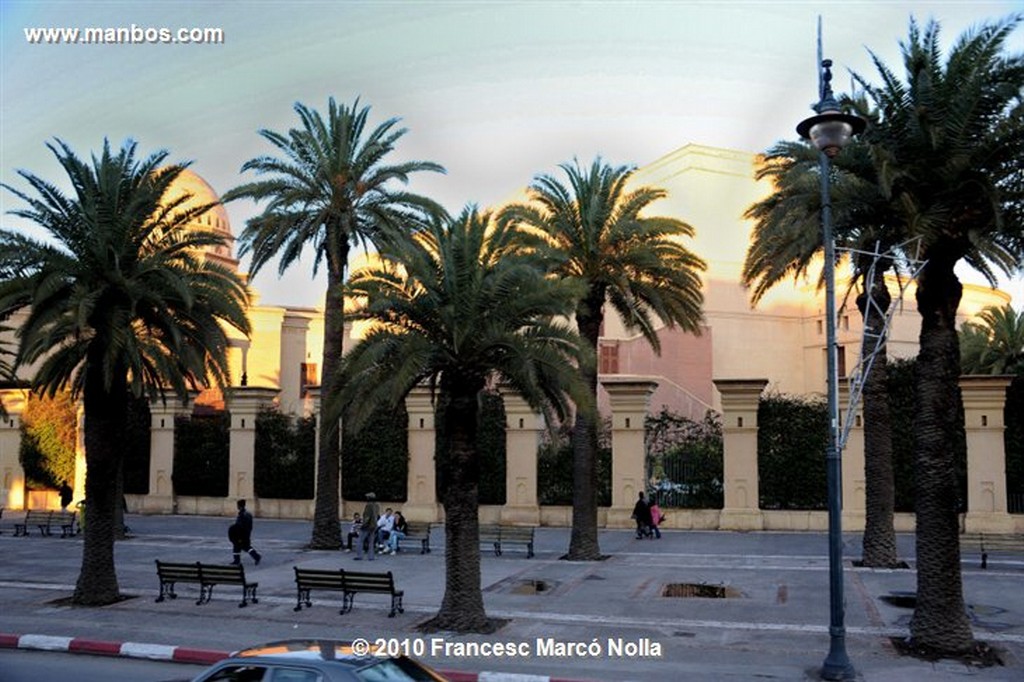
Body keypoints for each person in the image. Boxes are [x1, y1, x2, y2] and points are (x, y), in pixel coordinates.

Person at [228, 499, 262, 565]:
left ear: (239, 506)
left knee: (244, 547)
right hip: (246, 533)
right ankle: (237, 560)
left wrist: (238, 535)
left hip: (241, 535)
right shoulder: (248, 514)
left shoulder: (242, 515)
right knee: (240, 547)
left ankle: (256, 557)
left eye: (237, 505)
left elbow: (239, 526)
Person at [355, 492, 380, 561]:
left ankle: (359, 555)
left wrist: (364, 525)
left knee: (360, 540)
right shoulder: (377, 505)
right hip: (374, 525)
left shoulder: (369, 505)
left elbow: (367, 516)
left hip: (367, 526)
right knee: (371, 542)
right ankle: (371, 556)